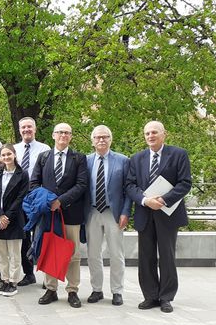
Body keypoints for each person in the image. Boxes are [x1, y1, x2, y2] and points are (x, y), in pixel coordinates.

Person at [125, 121, 191, 313]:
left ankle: (166, 297)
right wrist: (145, 200)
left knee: (167, 257)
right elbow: (130, 185)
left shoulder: (178, 154)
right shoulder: (136, 159)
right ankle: (150, 296)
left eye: (154, 132)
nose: (150, 136)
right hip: (145, 213)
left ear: (164, 134)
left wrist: (162, 199)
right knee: (146, 257)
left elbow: (185, 183)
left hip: (168, 214)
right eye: (147, 133)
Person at [31, 122, 88, 308]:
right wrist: (48, 201)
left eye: (67, 132)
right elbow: (34, 183)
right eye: (60, 132)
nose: (63, 135)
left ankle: (72, 290)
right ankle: (51, 288)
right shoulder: (43, 157)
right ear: (53, 135)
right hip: (49, 214)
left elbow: (81, 185)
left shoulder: (79, 158)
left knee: (73, 253)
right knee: (50, 250)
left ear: (71, 136)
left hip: (71, 213)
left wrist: (60, 201)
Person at [83, 125, 131, 306]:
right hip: (92, 212)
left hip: (114, 213)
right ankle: (97, 290)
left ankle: (117, 291)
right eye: (98, 137)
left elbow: (128, 190)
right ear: (92, 140)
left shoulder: (123, 161)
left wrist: (126, 212)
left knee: (116, 253)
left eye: (105, 137)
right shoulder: (85, 161)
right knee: (93, 253)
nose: (101, 140)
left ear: (111, 139)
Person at [0, 144, 29, 297]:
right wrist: (0, 215)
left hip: (14, 219)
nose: (6, 157)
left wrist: (7, 216)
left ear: (14, 154)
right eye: (3, 155)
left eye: (9, 154)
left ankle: (13, 282)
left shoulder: (23, 174)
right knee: (1, 254)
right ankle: (4, 280)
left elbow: (20, 198)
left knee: (14, 254)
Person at [12, 117, 51, 287]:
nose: (26, 129)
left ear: (34, 129)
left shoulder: (45, 149)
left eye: (29, 127)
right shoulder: (14, 149)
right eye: (23, 127)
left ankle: (47, 277)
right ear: (19, 130)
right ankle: (28, 273)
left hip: (38, 198)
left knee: (42, 235)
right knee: (23, 236)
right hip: (20, 199)